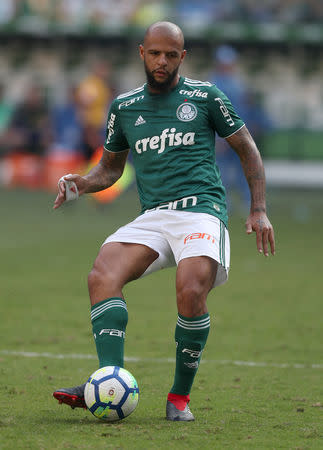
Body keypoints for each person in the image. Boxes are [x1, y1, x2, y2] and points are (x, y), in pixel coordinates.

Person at [52, 21, 275, 422]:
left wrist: (258, 208)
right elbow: (110, 169)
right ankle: (109, 378)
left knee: (190, 290)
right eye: (155, 53)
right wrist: (82, 184)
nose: (162, 61)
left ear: (182, 57)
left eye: (171, 55)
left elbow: (247, 148)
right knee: (101, 275)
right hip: (154, 216)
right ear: (142, 52)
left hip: (202, 210)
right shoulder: (124, 106)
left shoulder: (205, 96)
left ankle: (178, 398)